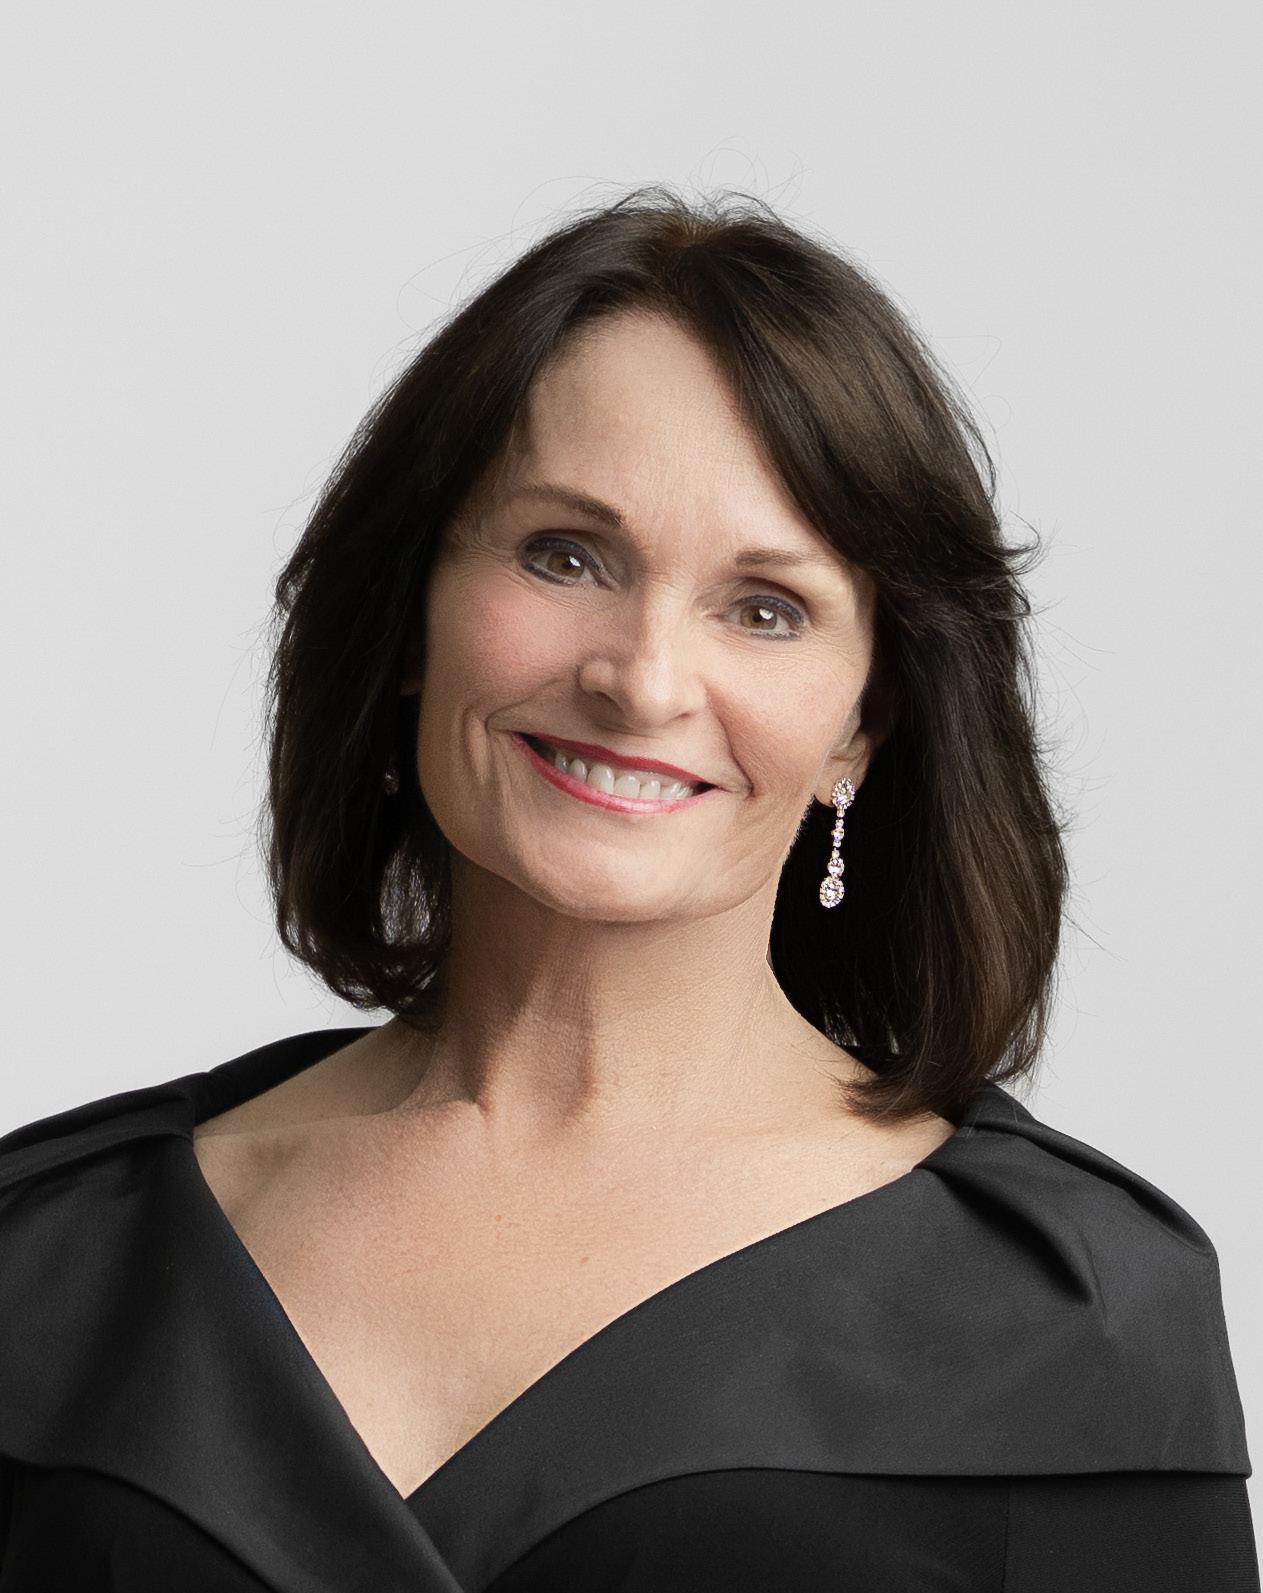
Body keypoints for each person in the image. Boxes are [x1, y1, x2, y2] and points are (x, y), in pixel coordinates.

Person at [0, 186, 1256, 1591]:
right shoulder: (55, 1257)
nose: (643, 679)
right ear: (414, 614)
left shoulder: (1074, 1315)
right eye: (566, 556)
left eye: (765, 608)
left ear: (863, 722)